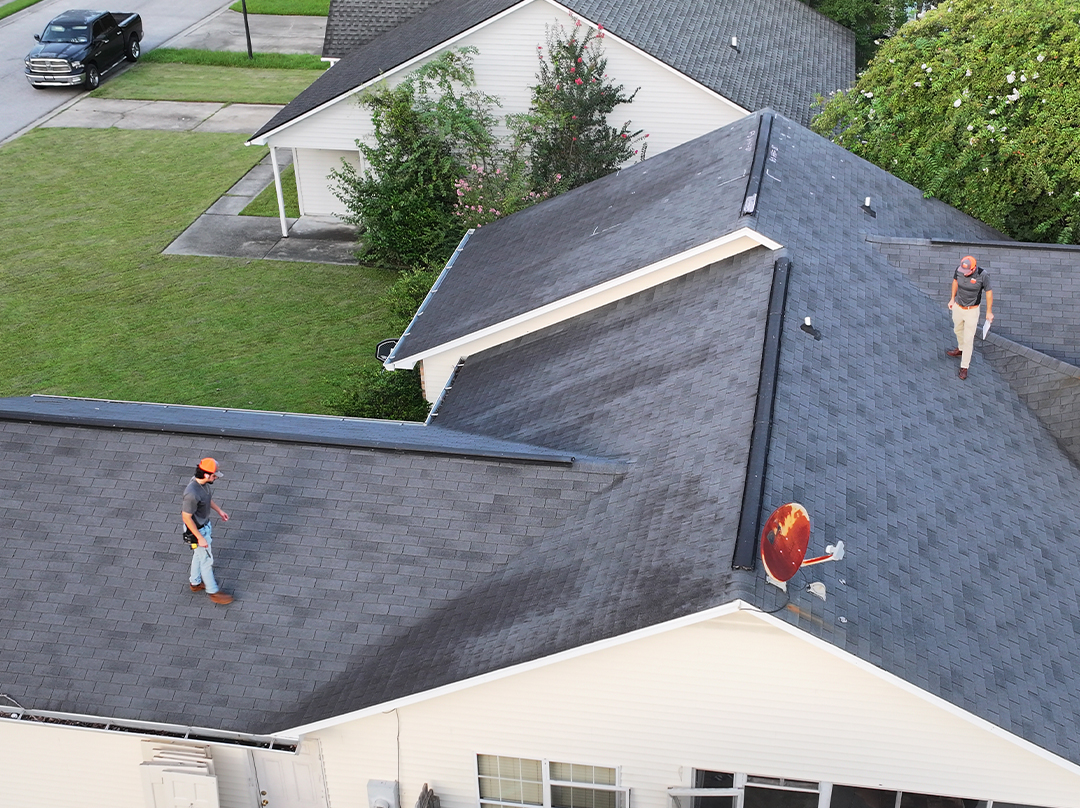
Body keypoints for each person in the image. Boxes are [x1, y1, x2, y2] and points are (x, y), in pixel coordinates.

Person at [182, 457, 234, 604]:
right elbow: (186, 517)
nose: (216, 477)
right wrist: (200, 538)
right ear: (205, 475)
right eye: (214, 475)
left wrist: (219, 510)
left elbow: (206, 498)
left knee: (199, 556)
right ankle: (213, 592)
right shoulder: (191, 493)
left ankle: (195, 583)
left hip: (203, 527)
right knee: (206, 560)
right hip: (197, 531)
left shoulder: (201, 484)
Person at [946, 254, 993, 380]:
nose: (964, 273)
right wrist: (952, 299)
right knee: (957, 330)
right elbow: (955, 282)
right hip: (958, 307)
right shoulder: (959, 270)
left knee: (968, 339)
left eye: (967, 271)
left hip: (971, 310)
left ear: (973, 268)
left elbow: (989, 293)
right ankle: (960, 348)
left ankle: (964, 366)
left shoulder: (983, 275)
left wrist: (989, 312)